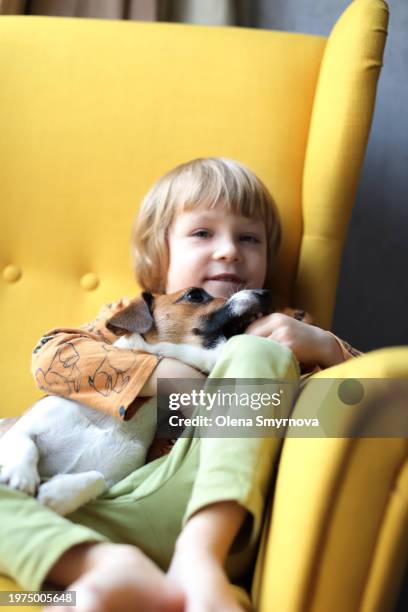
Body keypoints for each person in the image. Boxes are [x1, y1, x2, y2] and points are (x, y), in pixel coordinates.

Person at [0, 158, 361, 612]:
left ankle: (199, 554)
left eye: (249, 237)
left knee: (256, 351)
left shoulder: (284, 328)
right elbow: (50, 358)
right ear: (159, 256)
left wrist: (328, 349)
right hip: (109, 510)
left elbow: (377, 407)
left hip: (214, 507)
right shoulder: (133, 315)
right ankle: (96, 568)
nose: (229, 250)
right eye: (202, 233)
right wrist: (162, 377)